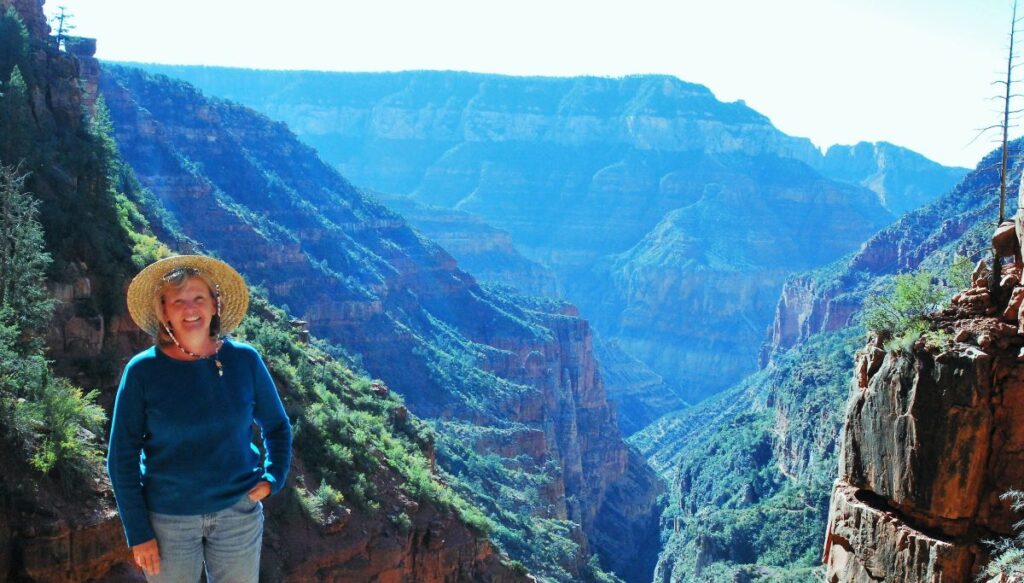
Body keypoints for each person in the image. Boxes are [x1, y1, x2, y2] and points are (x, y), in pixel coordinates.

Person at [107, 255, 292, 582]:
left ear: (215, 305)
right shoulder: (142, 372)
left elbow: (277, 426)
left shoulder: (244, 361)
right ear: (164, 310)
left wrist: (273, 476)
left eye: (198, 298)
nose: (190, 309)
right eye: (178, 301)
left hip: (238, 513)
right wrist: (138, 531)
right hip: (167, 521)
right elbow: (121, 457)